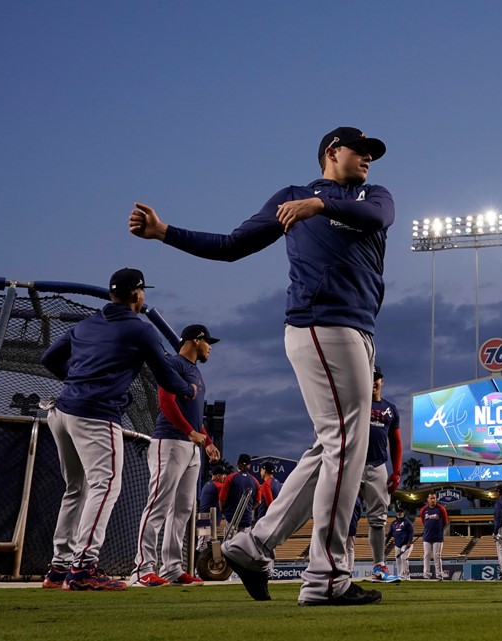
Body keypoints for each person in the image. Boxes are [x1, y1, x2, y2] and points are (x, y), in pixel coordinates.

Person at [128, 125, 392, 606]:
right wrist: (164, 233)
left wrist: (322, 206)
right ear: (332, 152)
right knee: (346, 443)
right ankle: (326, 578)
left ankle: (253, 545)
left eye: (372, 153)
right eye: (361, 150)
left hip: (356, 330)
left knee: (331, 446)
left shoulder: (371, 195)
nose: (369, 158)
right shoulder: (292, 195)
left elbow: (379, 217)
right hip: (321, 323)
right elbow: (232, 246)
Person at [40, 268, 195, 591]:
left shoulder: (85, 324)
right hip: (96, 414)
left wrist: (77, 381)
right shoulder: (140, 330)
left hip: (60, 411)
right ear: (137, 294)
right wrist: (188, 390)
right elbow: (166, 377)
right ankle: (82, 568)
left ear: (112, 295)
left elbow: (50, 358)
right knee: (105, 485)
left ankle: (59, 567)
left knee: (76, 488)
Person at [132, 324, 223, 587]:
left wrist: (206, 440)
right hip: (169, 441)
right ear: (196, 340)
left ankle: (172, 568)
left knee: (183, 509)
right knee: (159, 505)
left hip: (191, 445)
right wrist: (189, 431)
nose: (210, 349)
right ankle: (142, 569)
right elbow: (165, 402)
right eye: (208, 343)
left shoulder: (195, 372)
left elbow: (194, 413)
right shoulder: (174, 364)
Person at [364, 366, 402, 582]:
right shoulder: (357, 402)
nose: (373, 382)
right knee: (339, 514)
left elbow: (396, 442)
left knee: (378, 519)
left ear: (382, 381)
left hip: (378, 465)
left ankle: (379, 566)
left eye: (377, 378)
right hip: (353, 463)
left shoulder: (390, 409)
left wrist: (396, 472)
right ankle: (334, 564)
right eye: (370, 377)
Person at [220, 454, 261, 531]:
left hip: (231, 519)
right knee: (244, 543)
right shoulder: (255, 481)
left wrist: (224, 511)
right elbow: (258, 501)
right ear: (249, 466)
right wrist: (248, 508)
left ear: (237, 464)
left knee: (230, 542)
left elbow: (222, 499)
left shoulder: (230, 478)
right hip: (246, 520)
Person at [197, 465, 227, 550]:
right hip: (205, 523)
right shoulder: (218, 485)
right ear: (218, 476)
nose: (224, 477)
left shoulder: (208, 484)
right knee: (201, 547)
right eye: (223, 475)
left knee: (207, 548)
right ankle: (194, 563)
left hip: (208, 523)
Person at [420, 493, 449, 580]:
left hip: (437, 537)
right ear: (427, 499)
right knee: (427, 555)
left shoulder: (441, 508)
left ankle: (439, 575)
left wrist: (438, 529)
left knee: (437, 555)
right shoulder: (424, 510)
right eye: (431, 498)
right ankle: (426, 574)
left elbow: (445, 521)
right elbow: (423, 522)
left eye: (434, 498)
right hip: (427, 536)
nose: (433, 500)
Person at [386, 507, 414, 580]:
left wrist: (410, 542)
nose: (399, 513)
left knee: (403, 558)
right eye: (398, 512)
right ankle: (400, 575)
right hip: (397, 544)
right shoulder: (393, 523)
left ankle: (407, 576)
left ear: (403, 513)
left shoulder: (407, 522)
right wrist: (385, 543)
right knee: (398, 559)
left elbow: (411, 533)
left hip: (406, 544)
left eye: (401, 512)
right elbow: (389, 534)